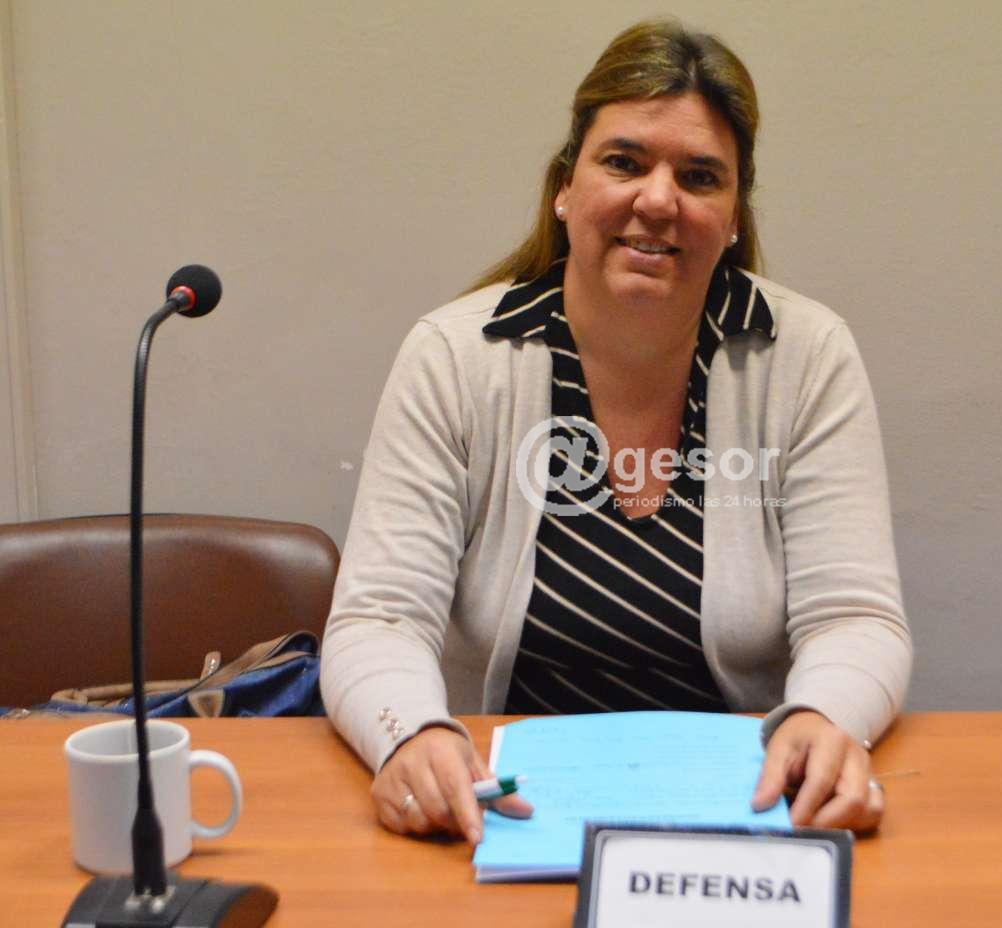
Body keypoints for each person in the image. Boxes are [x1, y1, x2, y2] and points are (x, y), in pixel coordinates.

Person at [321, 18, 911, 846]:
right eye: (625, 162)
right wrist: (410, 735)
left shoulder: (806, 357)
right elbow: (378, 618)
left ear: (733, 215)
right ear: (565, 188)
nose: (658, 201)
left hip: (741, 815)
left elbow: (855, 617)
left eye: (699, 177)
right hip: (499, 815)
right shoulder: (456, 357)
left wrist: (823, 716)